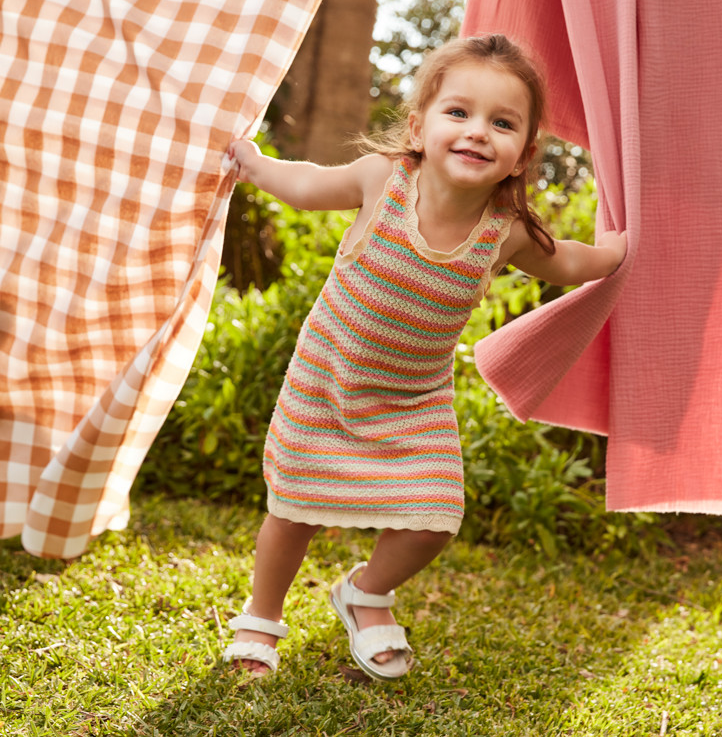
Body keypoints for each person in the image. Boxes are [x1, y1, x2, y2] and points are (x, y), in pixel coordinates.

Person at [222, 34, 627, 680]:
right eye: (459, 113)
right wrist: (255, 163)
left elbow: (573, 261)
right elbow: (306, 184)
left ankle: (365, 592)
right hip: (328, 380)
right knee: (292, 512)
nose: (476, 132)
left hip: (413, 399)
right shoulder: (385, 180)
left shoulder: (505, 232)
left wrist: (621, 248)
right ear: (419, 126)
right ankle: (261, 617)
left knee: (435, 518)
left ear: (522, 155)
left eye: (502, 123)